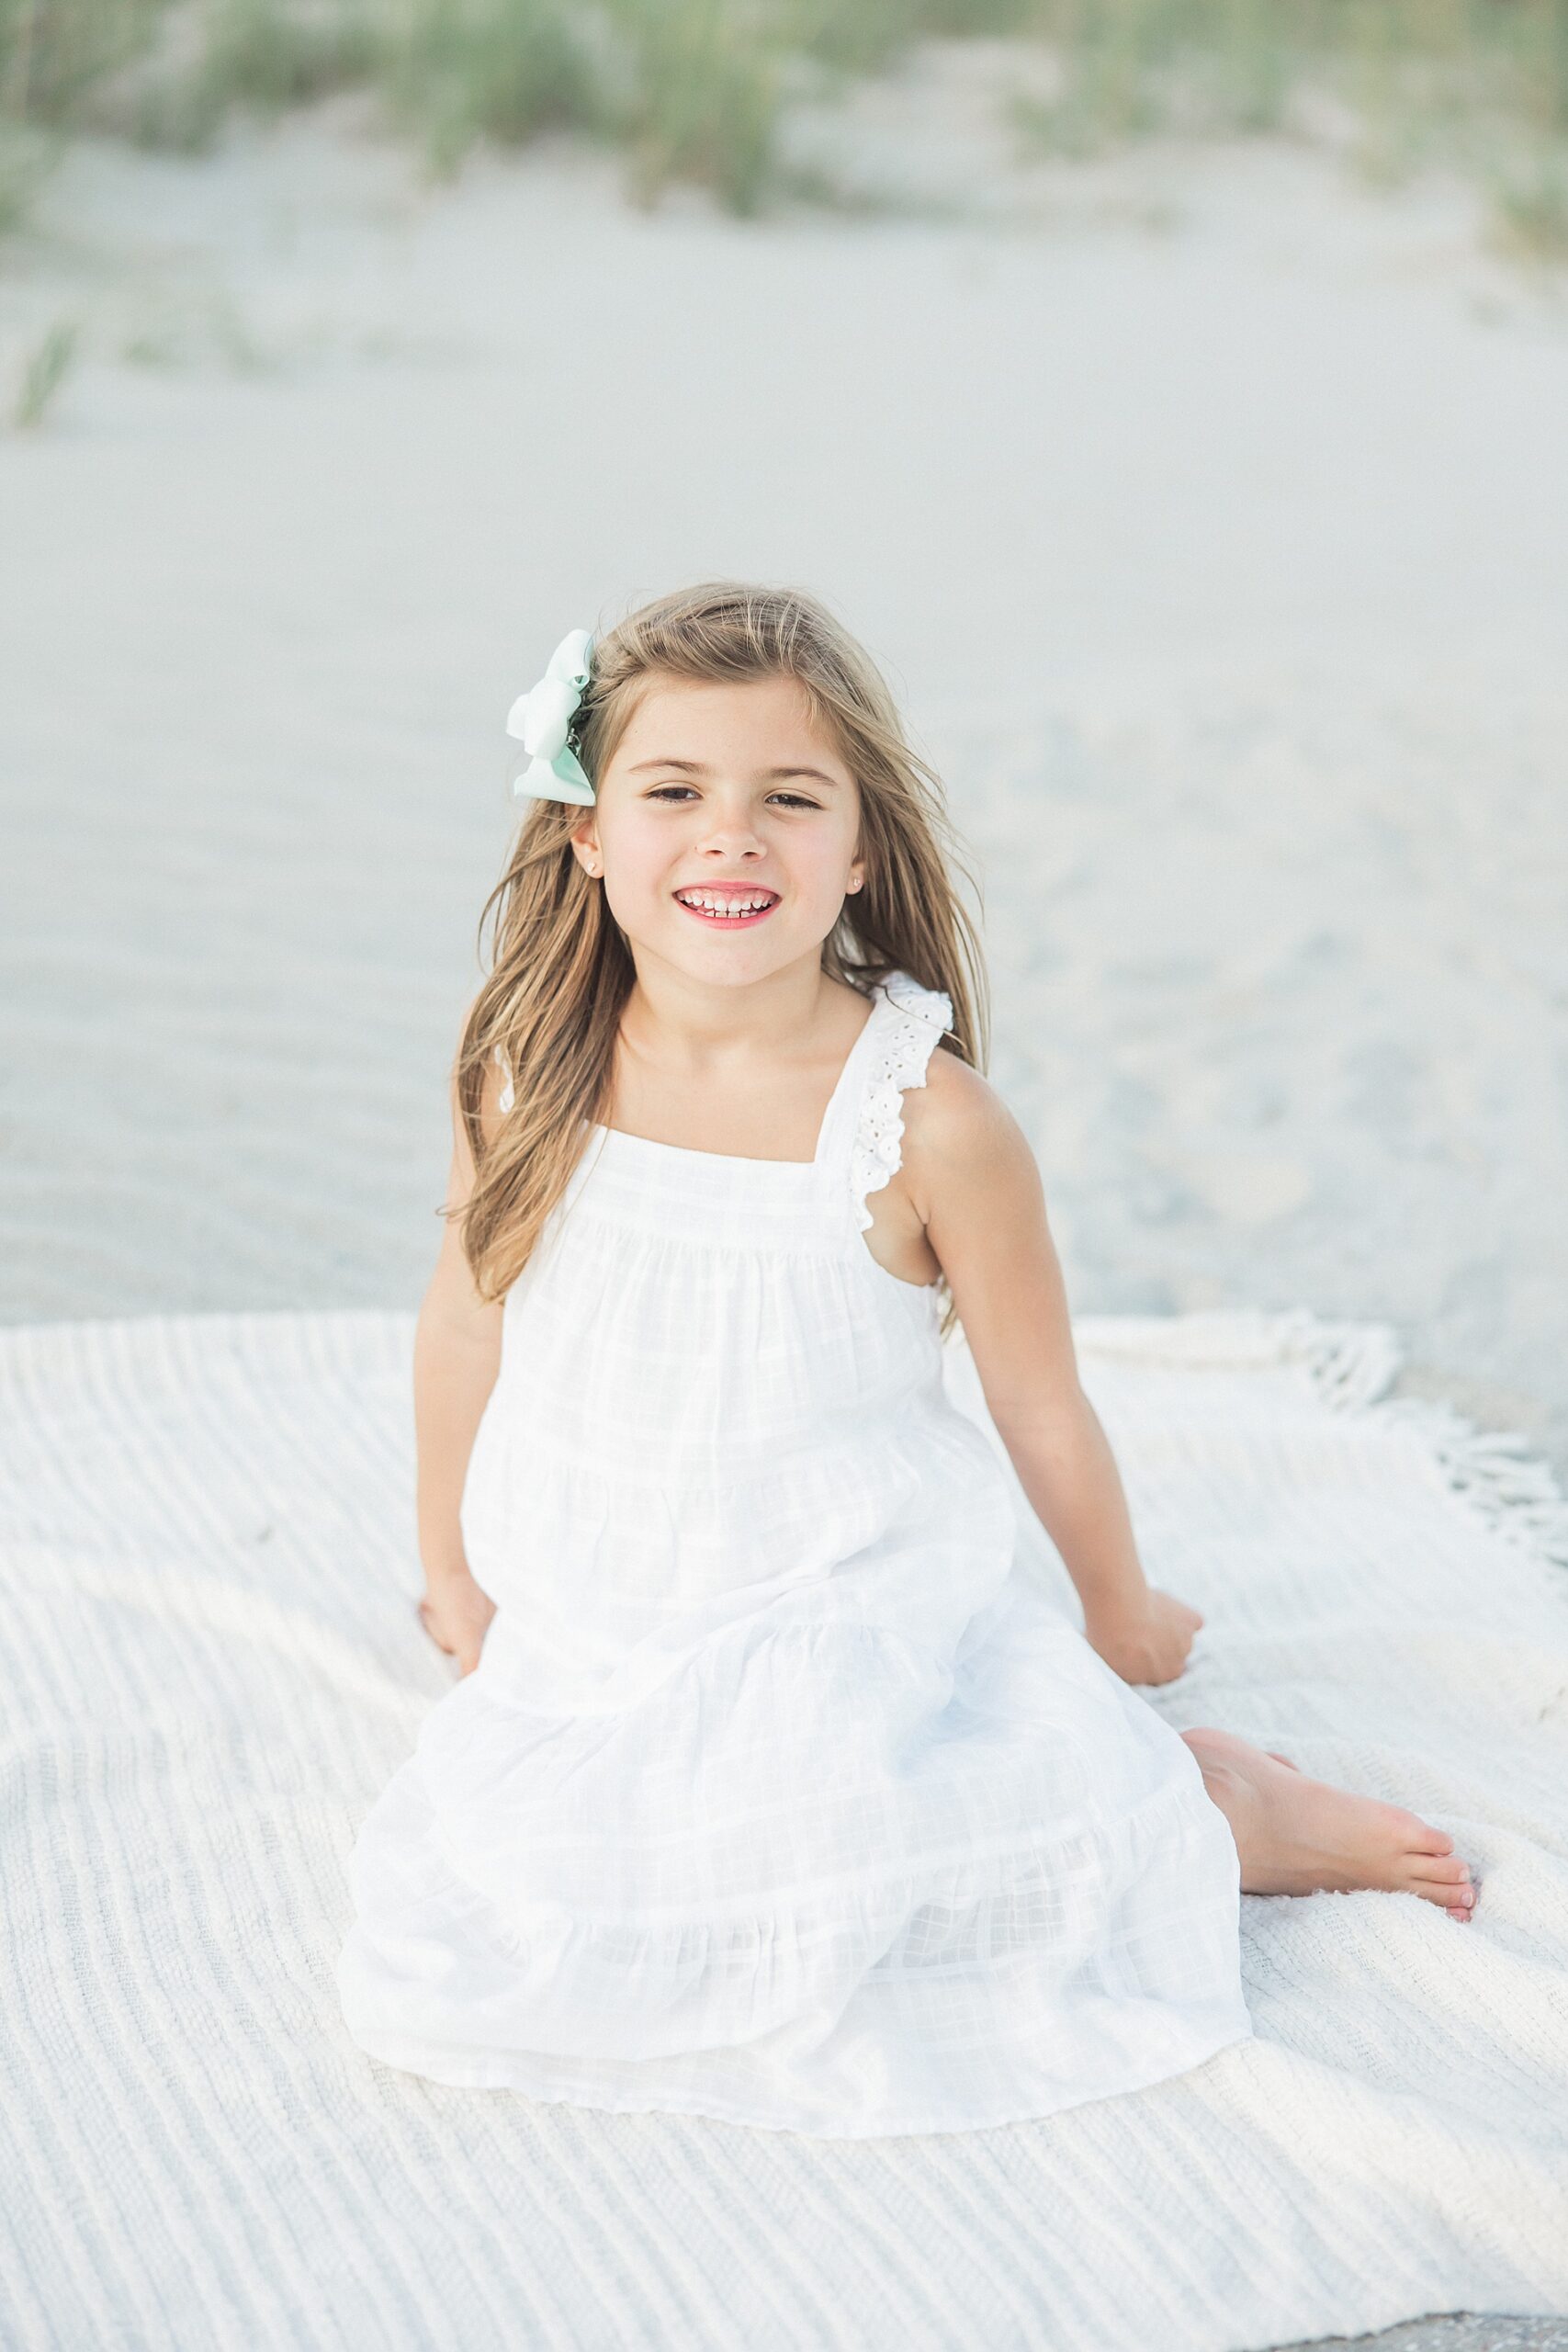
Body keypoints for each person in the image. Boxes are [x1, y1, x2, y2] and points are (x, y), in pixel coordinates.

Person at [335, 581, 1475, 2139]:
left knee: (868, 1870)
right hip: (601, 1600)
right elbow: (465, 1316)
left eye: (787, 800)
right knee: (521, 1908)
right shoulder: (523, 1069)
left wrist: (1119, 1610)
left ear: (859, 849)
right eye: (674, 791)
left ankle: (1212, 1803)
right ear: (589, 828)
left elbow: (1037, 1400)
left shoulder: (925, 1124)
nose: (730, 837)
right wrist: (453, 1570)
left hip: (836, 1598)